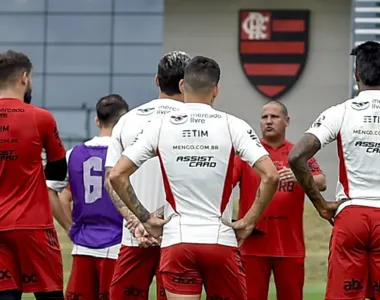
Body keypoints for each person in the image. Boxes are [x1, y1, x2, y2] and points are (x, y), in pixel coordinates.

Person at [108, 55, 280, 300]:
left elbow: (116, 175)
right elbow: (271, 176)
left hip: (178, 241)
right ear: (216, 90)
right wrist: (249, 220)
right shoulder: (233, 125)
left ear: (182, 86)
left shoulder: (160, 126)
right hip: (220, 240)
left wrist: (145, 218)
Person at [288, 41, 380, 300]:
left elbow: (296, 156)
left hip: (351, 215)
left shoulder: (341, 112)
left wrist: (320, 204)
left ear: (356, 74)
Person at [104, 51, 191, 300]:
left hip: (135, 237)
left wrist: (137, 222)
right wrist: (158, 218)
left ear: (157, 81)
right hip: (178, 235)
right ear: (187, 82)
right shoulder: (197, 125)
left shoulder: (126, 121)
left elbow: (111, 177)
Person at [232, 100, 326, 300]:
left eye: (274, 117)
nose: (268, 121)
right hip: (252, 245)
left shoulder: (298, 154)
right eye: (264, 117)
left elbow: (322, 181)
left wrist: (300, 176)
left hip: (290, 246)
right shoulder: (247, 153)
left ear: (287, 121)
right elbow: (225, 186)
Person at [0, 50, 70, 300]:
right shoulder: (40, 118)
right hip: (33, 226)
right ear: (25, 78)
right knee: (50, 295)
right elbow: (59, 169)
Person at [46, 94, 129, 300]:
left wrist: (69, 227)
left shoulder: (73, 153)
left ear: (97, 121)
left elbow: (50, 190)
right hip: (118, 245)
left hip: (83, 245)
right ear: (125, 121)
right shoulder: (129, 156)